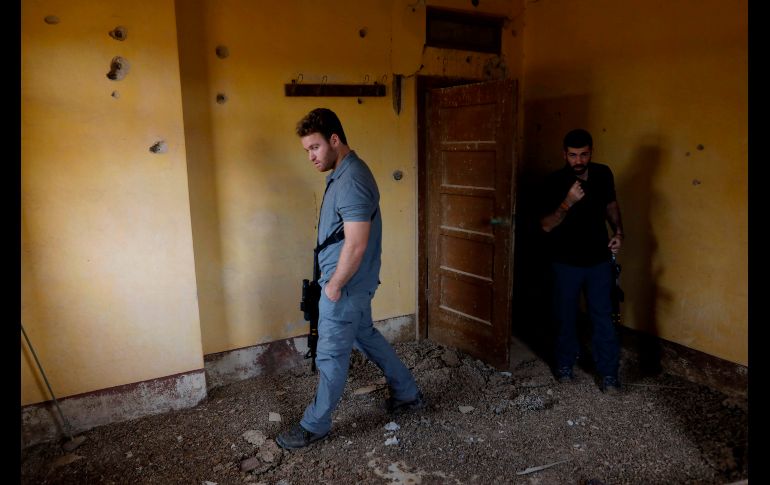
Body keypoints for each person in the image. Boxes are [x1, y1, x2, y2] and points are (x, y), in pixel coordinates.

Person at [276, 108, 425, 450]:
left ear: (334, 140)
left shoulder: (353, 178)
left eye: (314, 148)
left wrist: (333, 287)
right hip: (351, 285)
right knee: (366, 336)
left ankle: (315, 426)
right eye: (306, 151)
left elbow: (356, 244)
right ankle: (407, 393)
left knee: (330, 355)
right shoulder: (344, 174)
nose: (311, 157)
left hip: (345, 288)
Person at [539, 128, 625, 393]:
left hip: (599, 260)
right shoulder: (554, 182)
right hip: (565, 263)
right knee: (565, 316)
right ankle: (565, 364)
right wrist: (568, 201)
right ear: (564, 154)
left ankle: (609, 374)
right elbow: (546, 225)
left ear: (591, 153)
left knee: (603, 317)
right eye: (573, 155)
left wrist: (619, 233)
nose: (579, 160)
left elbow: (611, 205)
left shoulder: (603, 173)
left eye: (584, 155)